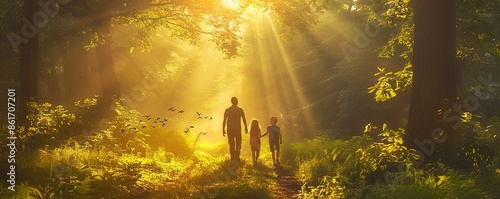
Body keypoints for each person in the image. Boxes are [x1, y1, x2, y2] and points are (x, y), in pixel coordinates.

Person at [222, 97, 248, 162]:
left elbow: (224, 120)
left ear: (231, 102)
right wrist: (246, 127)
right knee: (238, 142)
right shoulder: (240, 110)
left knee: (231, 143)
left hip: (230, 129)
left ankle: (232, 156)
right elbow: (244, 119)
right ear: (237, 101)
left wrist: (223, 129)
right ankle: (237, 155)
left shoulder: (227, 110)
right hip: (237, 129)